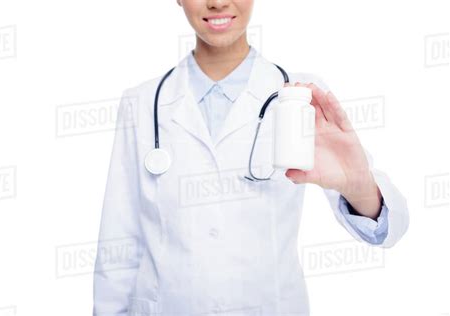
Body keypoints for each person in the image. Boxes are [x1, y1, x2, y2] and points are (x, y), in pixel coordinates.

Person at [93, 0, 409, 315]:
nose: (217, 2)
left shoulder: (300, 97)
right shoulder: (141, 102)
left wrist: (358, 186)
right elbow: (118, 244)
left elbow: (388, 231)